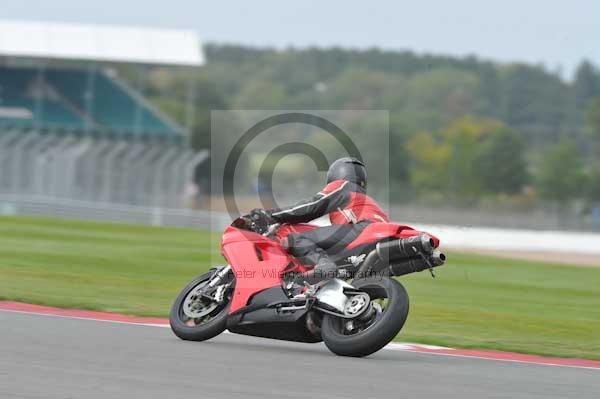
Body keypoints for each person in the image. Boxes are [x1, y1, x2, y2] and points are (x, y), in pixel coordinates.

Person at [250, 157, 389, 285]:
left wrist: (270, 215)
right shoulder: (363, 200)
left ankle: (324, 266)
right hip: (378, 240)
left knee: (296, 240)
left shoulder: (342, 186)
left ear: (337, 174)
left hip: (364, 229)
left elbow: (311, 207)